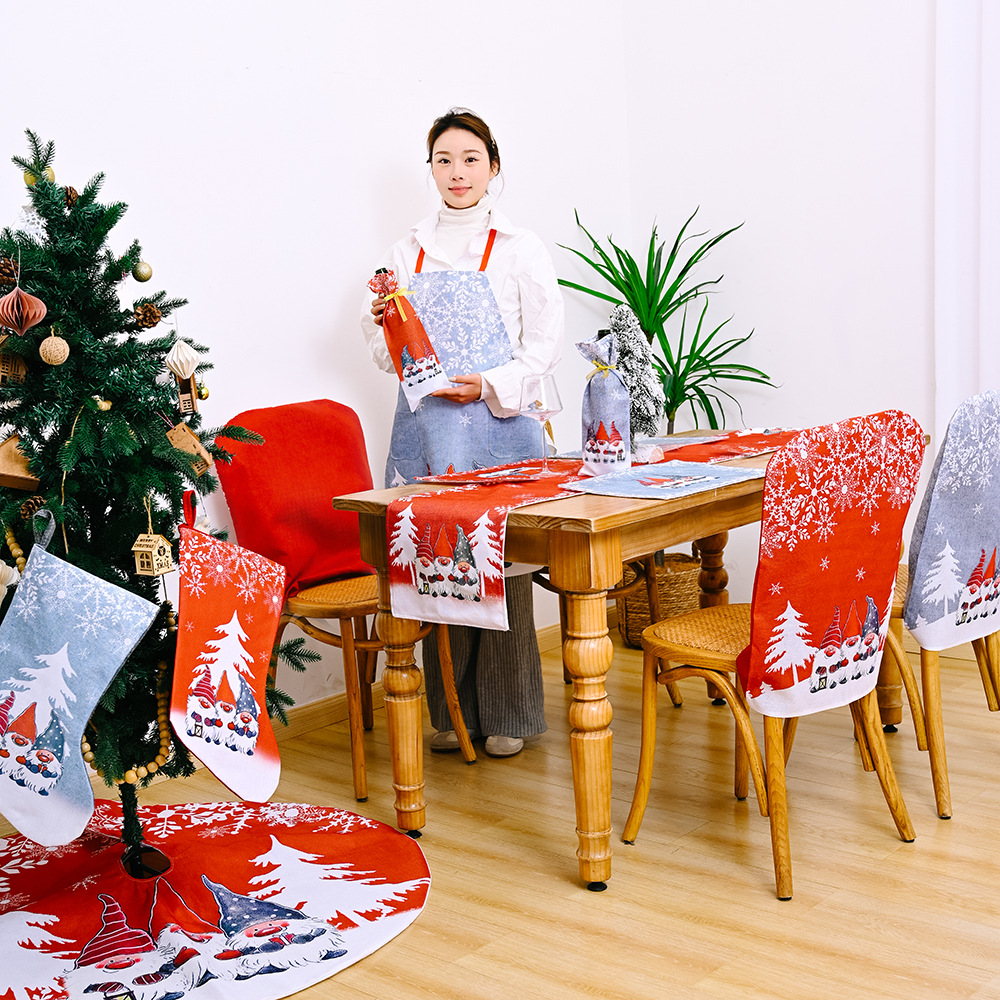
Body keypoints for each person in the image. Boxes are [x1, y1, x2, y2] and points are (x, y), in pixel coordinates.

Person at [361, 108, 564, 758]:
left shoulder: (519, 248)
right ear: (431, 170)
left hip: (501, 428)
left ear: (493, 167)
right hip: (431, 436)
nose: (457, 172)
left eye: (470, 159)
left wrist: (487, 383)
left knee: (502, 565)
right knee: (442, 562)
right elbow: (378, 346)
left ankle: (508, 712)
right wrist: (382, 326)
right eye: (444, 160)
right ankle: (452, 716)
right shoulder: (405, 251)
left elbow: (544, 349)